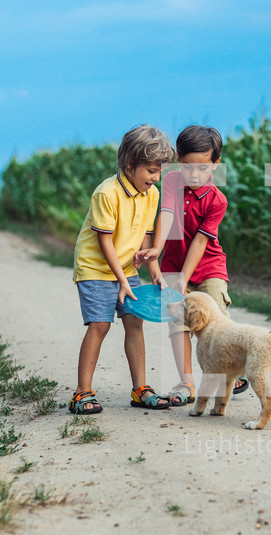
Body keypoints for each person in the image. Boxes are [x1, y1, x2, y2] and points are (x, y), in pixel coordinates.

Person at [135, 125, 248, 406]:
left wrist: (184, 278)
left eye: (202, 168)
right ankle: (186, 382)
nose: (194, 175)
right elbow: (168, 214)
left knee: (217, 319)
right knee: (178, 322)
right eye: (187, 167)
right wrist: (157, 250)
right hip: (173, 262)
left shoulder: (217, 200)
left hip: (208, 265)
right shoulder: (172, 181)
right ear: (177, 161)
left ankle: (230, 373)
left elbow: (200, 242)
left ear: (215, 164)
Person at [69, 124, 176, 414]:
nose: (156, 178)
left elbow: (144, 236)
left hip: (126, 268)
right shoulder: (107, 193)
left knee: (134, 321)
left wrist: (154, 271)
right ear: (130, 164)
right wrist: (122, 281)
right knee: (100, 325)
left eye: (159, 171)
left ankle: (140, 388)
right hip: (95, 269)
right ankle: (82, 393)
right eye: (151, 170)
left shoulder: (150, 194)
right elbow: (105, 242)